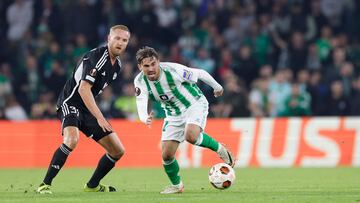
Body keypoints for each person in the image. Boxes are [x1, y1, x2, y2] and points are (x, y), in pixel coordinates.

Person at [36, 25, 130, 194]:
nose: (120, 43)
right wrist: (100, 117)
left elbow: (94, 91)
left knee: (117, 150)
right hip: (70, 102)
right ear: (109, 38)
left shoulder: (117, 67)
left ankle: (92, 185)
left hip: (87, 108)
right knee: (71, 140)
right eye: (117, 38)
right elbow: (83, 89)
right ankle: (45, 184)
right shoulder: (97, 57)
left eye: (124, 40)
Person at [134, 47, 235, 194]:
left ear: (158, 62)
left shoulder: (173, 70)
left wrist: (217, 87)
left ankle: (221, 149)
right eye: (146, 66)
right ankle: (177, 186)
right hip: (173, 114)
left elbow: (200, 73)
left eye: (153, 64)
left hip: (194, 103)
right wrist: (144, 117)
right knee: (166, 155)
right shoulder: (139, 81)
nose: (151, 69)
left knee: (191, 136)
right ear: (140, 67)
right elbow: (141, 101)